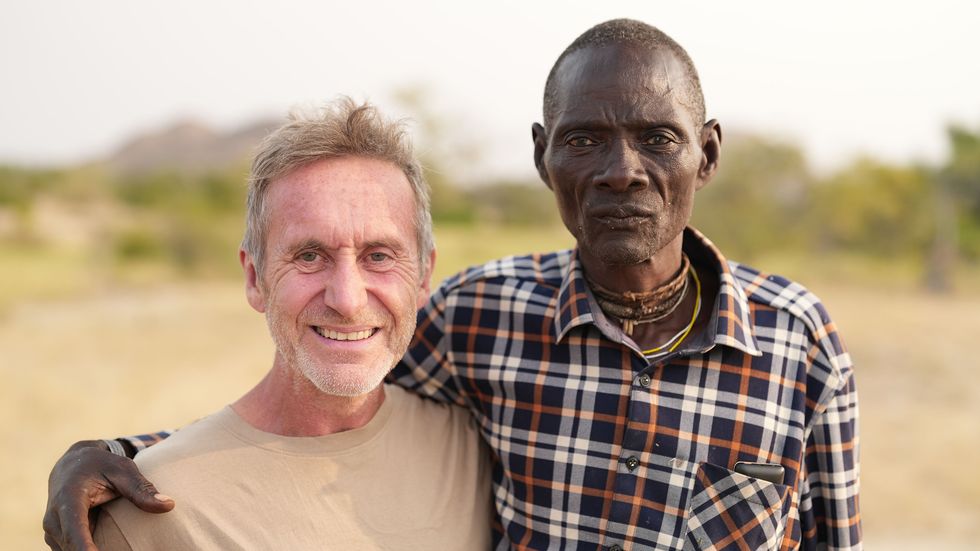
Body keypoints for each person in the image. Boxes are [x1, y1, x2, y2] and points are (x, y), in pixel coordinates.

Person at [44, 19, 860, 550]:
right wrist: (122, 455)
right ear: (543, 156)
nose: (622, 170)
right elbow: (329, 380)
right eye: (585, 139)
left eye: (657, 138)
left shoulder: (800, 342)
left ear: (706, 154)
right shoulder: (484, 316)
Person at [55, 98, 493, 550]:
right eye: (310, 256)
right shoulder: (150, 510)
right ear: (254, 279)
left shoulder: (473, 445)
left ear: (423, 277)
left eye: (378, 256)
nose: (347, 300)